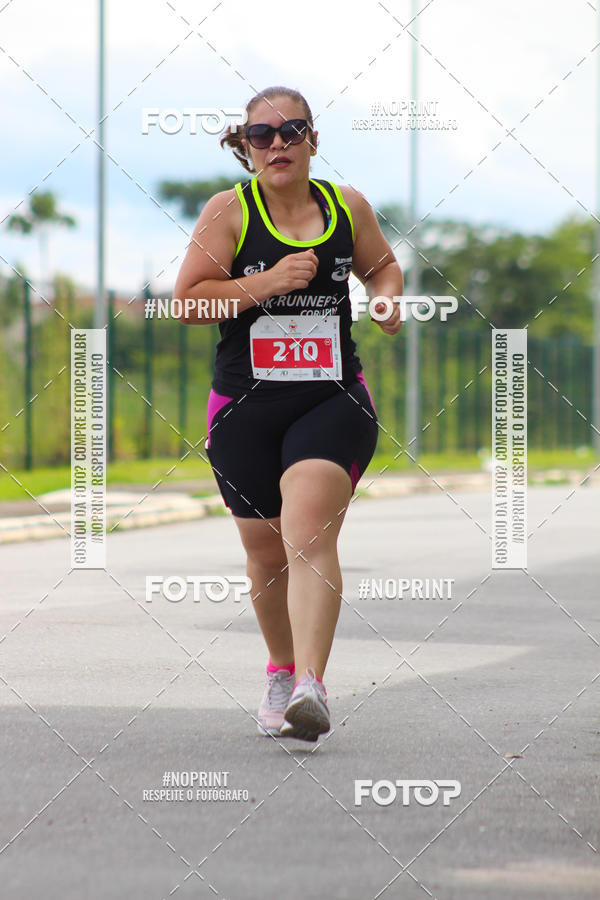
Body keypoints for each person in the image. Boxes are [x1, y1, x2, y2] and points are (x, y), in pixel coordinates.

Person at [173, 85, 403, 742]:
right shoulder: (229, 213)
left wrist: (386, 301)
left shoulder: (345, 205)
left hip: (330, 398)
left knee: (307, 532)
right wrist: (265, 284)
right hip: (244, 406)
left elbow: (383, 268)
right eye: (262, 135)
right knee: (265, 556)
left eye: (292, 131)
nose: (278, 144)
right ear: (245, 147)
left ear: (313, 140)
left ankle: (311, 686)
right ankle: (281, 668)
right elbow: (189, 301)